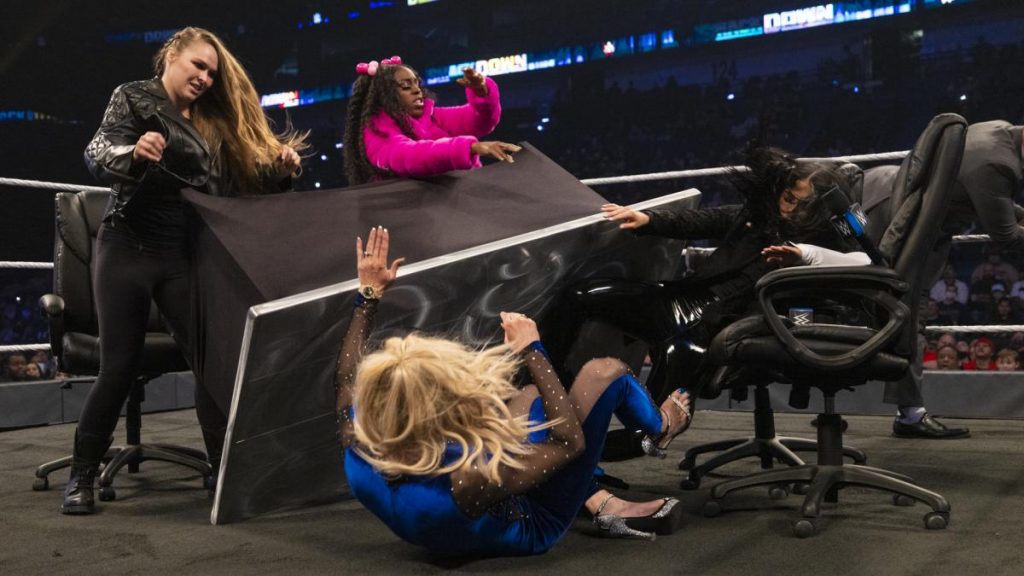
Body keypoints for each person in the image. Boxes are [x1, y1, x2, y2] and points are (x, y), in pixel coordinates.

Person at [64, 26, 307, 515]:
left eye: (212, 73)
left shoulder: (214, 120)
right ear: (172, 55)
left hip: (182, 254)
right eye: (197, 65)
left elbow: (236, 182)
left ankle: (224, 472)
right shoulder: (134, 98)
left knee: (211, 361)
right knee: (118, 367)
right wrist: (131, 153)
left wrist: (279, 170)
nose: (204, 77)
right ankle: (81, 476)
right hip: (127, 246)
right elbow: (97, 151)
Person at [336, 227, 691, 557]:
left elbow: (347, 377)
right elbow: (568, 443)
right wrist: (532, 349)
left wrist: (368, 294)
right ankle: (659, 426)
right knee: (603, 373)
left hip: (454, 511)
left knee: (529, 398)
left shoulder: (358, 437)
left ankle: (593, 493)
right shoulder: (466, 477)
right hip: (534, 522)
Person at [544, 147, 869, 408]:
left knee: (656, 412)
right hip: (683, 302)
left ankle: (615, 448)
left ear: (822, 207)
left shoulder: (828, 241)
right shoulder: (758, 218)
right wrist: (648, 218)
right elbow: (703, 218)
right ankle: (551, 385)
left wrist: (802, 256)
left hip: (721, 326)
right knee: (580, 296)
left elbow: (863, 263)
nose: (791, 208)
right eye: (788, 197)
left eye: (804, 203)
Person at [861, 120, 1024, 439]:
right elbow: (1004, 235)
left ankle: (901, 411)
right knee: (906, 316)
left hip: (888, 195)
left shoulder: (997, 129)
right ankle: (909, 415)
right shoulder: (999, 162)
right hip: (903, 223)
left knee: (884, 310)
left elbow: (988, 197)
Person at [342, 56, 521, 184]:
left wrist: (482, 93)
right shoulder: (376, 131)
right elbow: (409, 155)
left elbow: (479, 122)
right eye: (406, 86)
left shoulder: (432, 117)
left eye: (417, 84)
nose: (417, 90)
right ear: (384, 95)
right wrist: (470, 147)